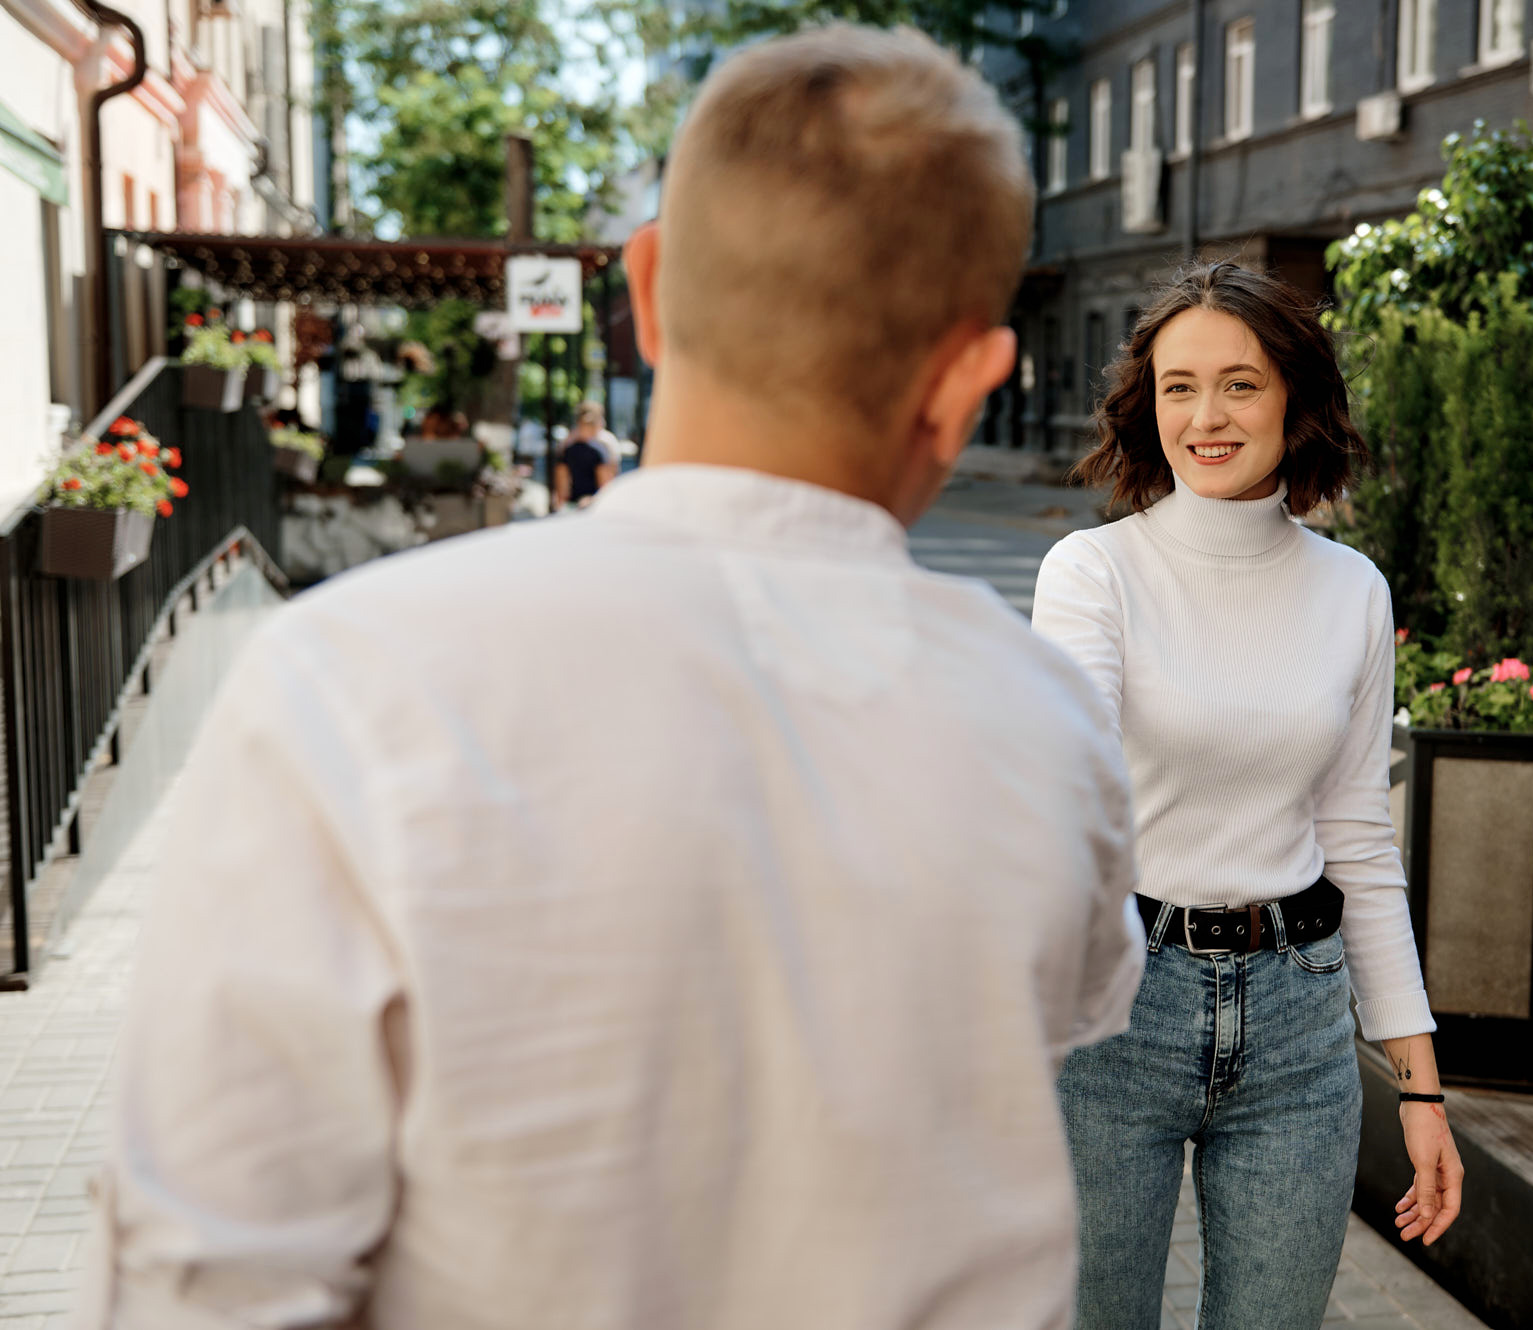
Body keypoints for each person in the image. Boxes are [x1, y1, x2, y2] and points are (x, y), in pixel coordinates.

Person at [77, 25, 1144, 1330]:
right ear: (970, 382)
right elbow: (1069, 1017)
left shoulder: (348, 682)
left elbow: (211, 1271)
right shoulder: (1048, 722)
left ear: (645, 289)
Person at [1032, 261, 1464, 1330]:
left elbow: (1358, 838)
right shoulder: (1092, 573)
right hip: (1112, 1013)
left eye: (1238, 383)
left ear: (1293, 398)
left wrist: (1418, 1084)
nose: (1205, 415)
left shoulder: (1351, 590)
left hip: (1297, 1019)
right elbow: (1065, 780)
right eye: (1177, 386)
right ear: (1147, 406)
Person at [555, 401, 620, 507]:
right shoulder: (605, 444)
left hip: (590, 503)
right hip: (590, 503)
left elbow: (608, 478)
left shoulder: (569, 443)